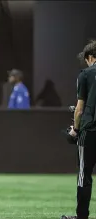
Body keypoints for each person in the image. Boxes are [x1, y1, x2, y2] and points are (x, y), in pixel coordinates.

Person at [61, 40, 96, 219]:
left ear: (90, 57)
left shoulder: (85, 74)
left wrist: (75, 129)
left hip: (89, 132)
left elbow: (80, 108)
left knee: (84, 175)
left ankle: (82, 216)